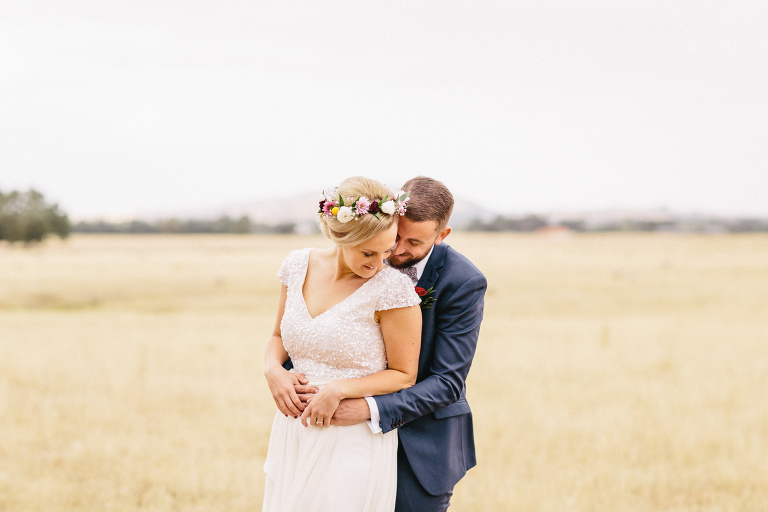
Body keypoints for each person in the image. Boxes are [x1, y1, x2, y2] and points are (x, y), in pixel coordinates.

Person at [302, 177, 487, 511]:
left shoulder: (463, 282)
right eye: (394, 235)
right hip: (343, 441)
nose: (396, 250)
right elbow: (319, 331)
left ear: (441, 236)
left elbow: (447, 382)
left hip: (420, 450)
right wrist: (283, 371)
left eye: (413, 242)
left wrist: (369, 408)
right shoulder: (365, 256)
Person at [261, 176, 422, 512]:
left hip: (351, 437)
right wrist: (273, 369)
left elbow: (404, 374)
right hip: (293, 432)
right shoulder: (296, 266)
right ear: (340, 236)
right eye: (368, 252)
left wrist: (337, 390)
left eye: (387, 250)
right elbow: (278, 336)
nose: (379, 263)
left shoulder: (393, 289)